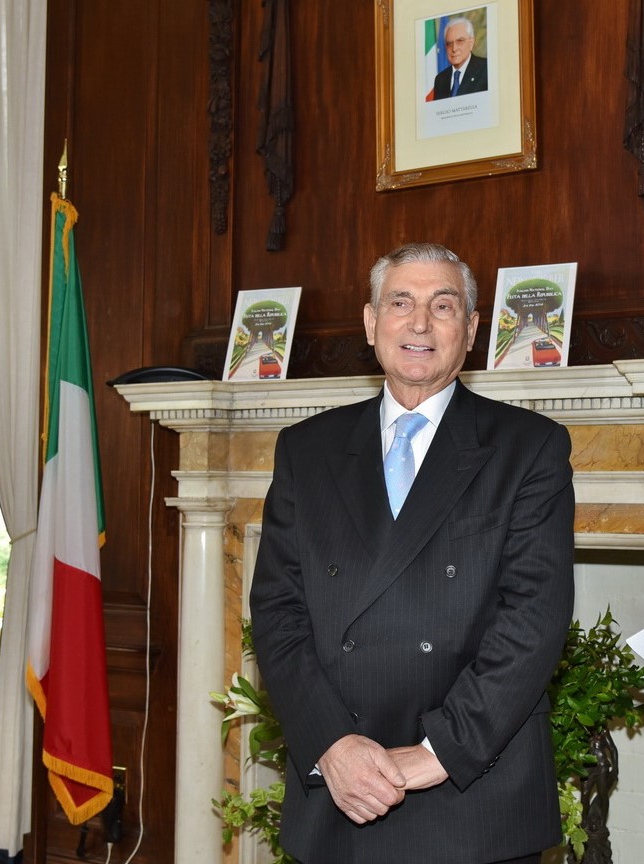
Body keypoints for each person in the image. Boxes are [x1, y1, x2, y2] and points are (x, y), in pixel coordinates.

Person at [250, 242, 575, 864]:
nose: (419, 323)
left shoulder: (530, 448)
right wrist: (331, 745)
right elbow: (277, 611)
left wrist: (437, 752)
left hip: (471, 796)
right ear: (372, 322)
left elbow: (533, 620)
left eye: (442, 306)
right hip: (341, 790)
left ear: (471, 330)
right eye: (400, 303)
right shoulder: (306, 449)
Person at [433, 17, 488, 99]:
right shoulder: (440, 79)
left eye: (460, 41)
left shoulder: (486, 69)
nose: (454, 49)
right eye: (449, 43)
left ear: (471, 43)